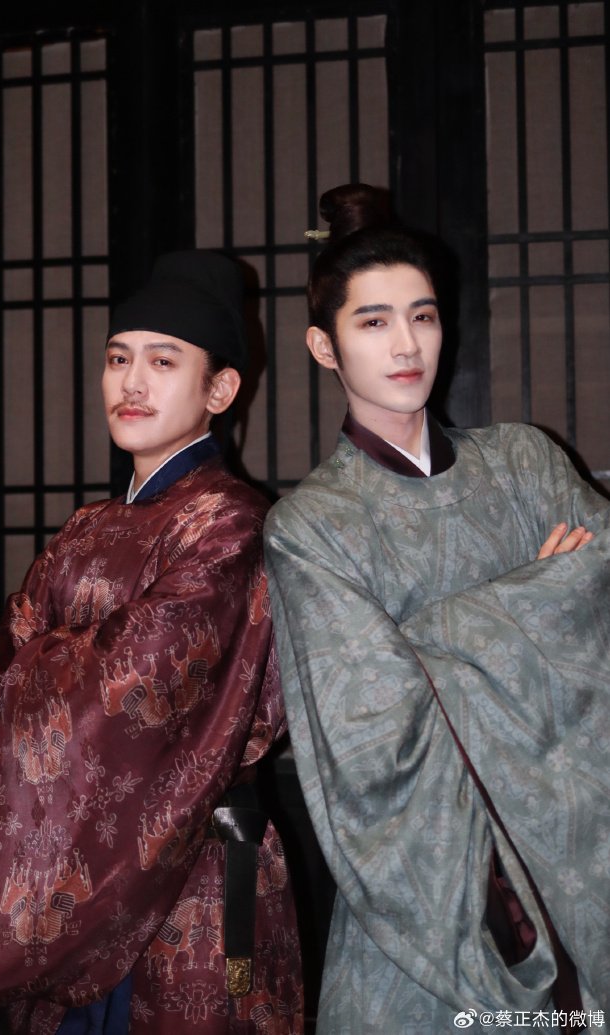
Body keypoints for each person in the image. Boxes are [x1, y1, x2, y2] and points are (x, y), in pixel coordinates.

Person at [263, 184, 610, 1034]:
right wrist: (538, 601)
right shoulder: (309, 526)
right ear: (324, 344)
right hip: (431, 888)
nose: (406, 344)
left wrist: (424, 648)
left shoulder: (524, 461)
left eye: (422, 316)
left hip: (577, 857)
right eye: (373, 321)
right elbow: (369, 731)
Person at [0, 250, 303, 1034]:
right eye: (117, 359)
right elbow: (1, 676)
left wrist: (55, 651)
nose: (132, 382)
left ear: (220, 390)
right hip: (72, 870)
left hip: (192, 874)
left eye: (162, 362)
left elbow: (136, 686)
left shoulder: (232, 523)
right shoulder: (85, 527)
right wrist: (71, 656)